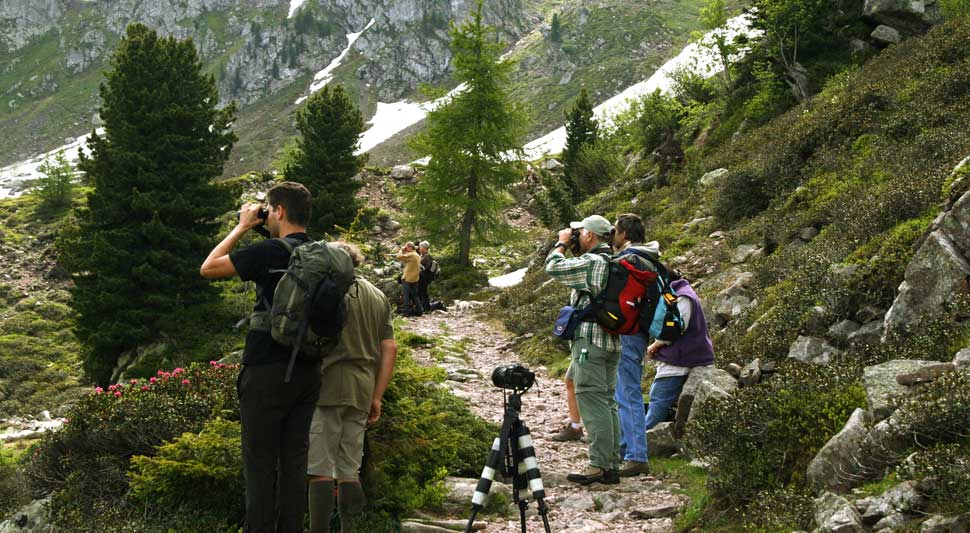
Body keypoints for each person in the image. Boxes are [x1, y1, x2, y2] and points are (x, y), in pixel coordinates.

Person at [199, 181, 320, 533]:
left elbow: (209, 268)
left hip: (266, 368)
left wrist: (241, 227)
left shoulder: (270, 251)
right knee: (295, 462)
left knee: (260, 464)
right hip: (309, 369)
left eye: (269, 209)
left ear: (278, 211)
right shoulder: (322, 254)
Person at [307, 241, 398, 533]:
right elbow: (390, 347)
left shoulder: (328, 290)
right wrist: (377, 397)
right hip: (362, 388)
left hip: (327, 385)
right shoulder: (377, 295)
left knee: (320, 469)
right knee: (349, 470)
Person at [545, 215, 622, 486]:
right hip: (611, 341)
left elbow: (553, 267)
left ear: (590, 235)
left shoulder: (593, 262)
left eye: (580, 232)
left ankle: (598, 465)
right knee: (608, 401)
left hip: (591, 341)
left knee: (592, 399)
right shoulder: (613, 260)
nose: (576, 236)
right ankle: (611, 464)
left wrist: (562, 243)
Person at [611, 213, 661, 477]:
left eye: (615, 231)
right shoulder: (650, 257)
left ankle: (636, 455)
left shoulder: (628, 259)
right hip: (639, 331)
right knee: (625, 391)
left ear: (625, 234)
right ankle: (624, 449)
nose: (613, 235)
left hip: (627, 331)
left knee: (627, 392)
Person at [644, 275, 714, 447]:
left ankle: (636, 443)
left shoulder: (682, 297)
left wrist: (655, 345)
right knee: (658, 401)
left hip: (680, 360)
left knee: (658, 402)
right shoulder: (683, 293)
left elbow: (675, 329)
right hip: (687, 357)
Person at [396, 242, 422, 316]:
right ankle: (419, 311)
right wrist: (405, 250)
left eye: (406, 247)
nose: (405, 249)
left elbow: (399, 257)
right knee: (415, 295)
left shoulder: (411, 255)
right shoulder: (417, 255)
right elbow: (405, 257)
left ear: (410, 247)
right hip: (415, 278)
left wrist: (401, 250)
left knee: (406, 295)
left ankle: (406, 312)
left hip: (407, 278)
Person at [417, 241, 434, 312]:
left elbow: (418, 263)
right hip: (423, 277)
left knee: (422, 292)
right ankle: (425, 307)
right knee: (422, 292)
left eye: (420, 247)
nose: (419, 248)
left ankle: (426, 308)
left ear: (424, 248)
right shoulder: (423, 255)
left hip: (424, 278)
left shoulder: (426, 256)